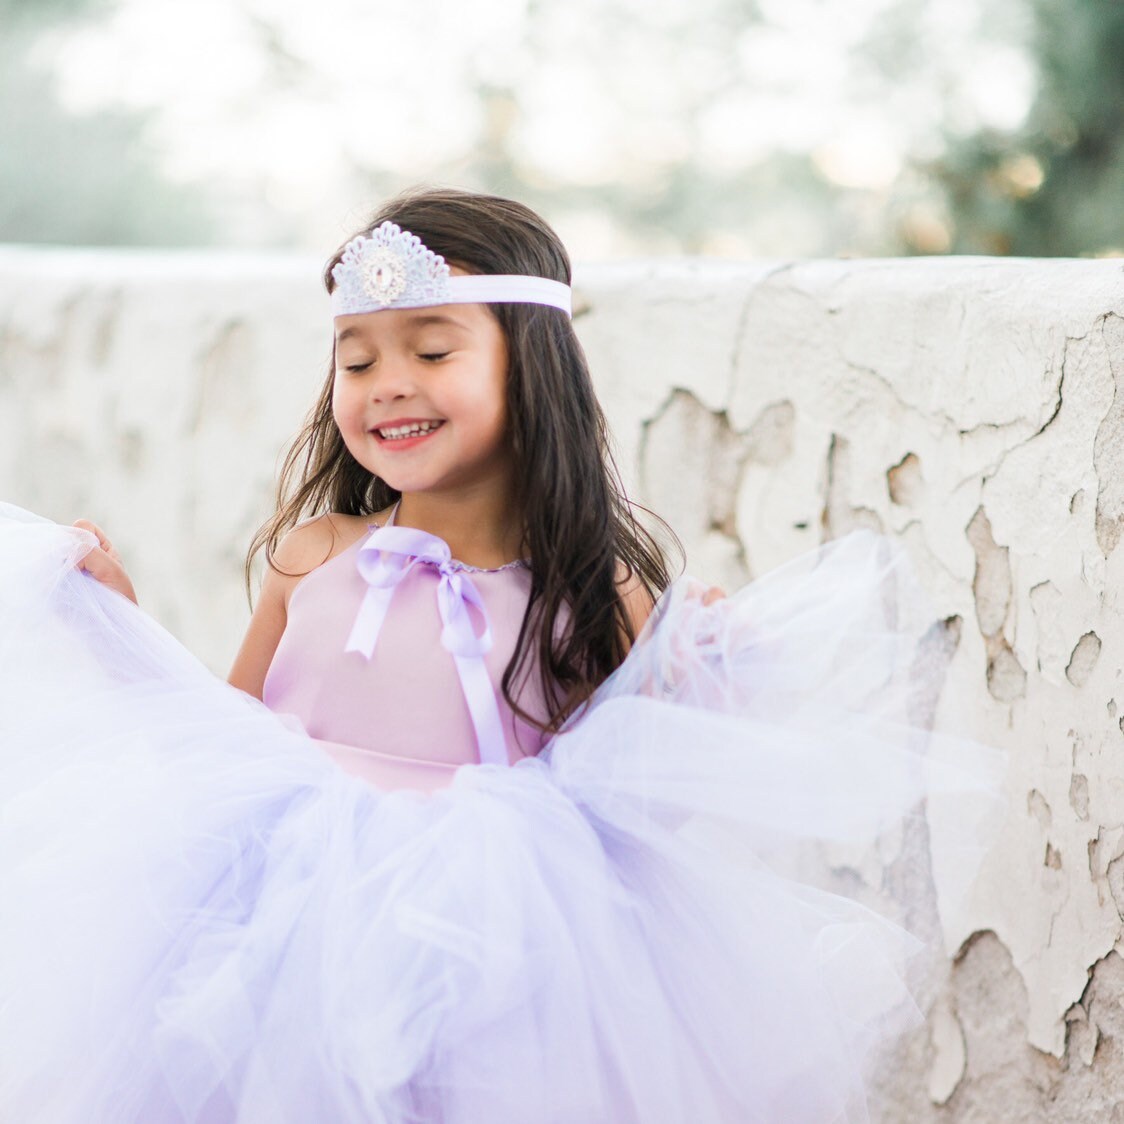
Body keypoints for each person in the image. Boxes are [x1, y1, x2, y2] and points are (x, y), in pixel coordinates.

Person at [0, 188, 1000, 1123]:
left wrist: (688, 692)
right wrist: (116, 627)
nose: (388, 386)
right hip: (289, 934)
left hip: (506, 950)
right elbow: (220, 746)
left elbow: (639, 802)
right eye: (356, 361)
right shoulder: (314, 557)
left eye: (431, 351)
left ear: (532, 366)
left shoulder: (584, 585)